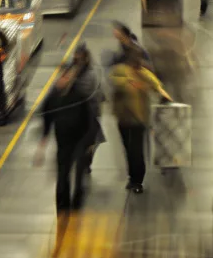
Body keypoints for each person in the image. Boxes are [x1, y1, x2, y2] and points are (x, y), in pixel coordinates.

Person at [36, 44, 104, 213]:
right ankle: (62, 204)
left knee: (79, 171)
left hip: (79, 140)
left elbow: (89, 120)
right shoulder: (54, 96)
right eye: (62, 77)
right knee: (63, 172)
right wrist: (43, 141)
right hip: (63, 140)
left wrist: (89, 142)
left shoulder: (80, 97)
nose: (62, 80)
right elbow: (47, 115)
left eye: (66, 77)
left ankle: (77, 200)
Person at [110, 45, 172, 193]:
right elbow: (115, 82)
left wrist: (165, 97)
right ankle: (132, 178)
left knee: (136, 151)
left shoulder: (144, 74)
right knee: (128, 149)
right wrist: (131, 83)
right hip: (123, 118)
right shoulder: (120, 71)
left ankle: (137, 181)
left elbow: (157, 86)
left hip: (139, 119)